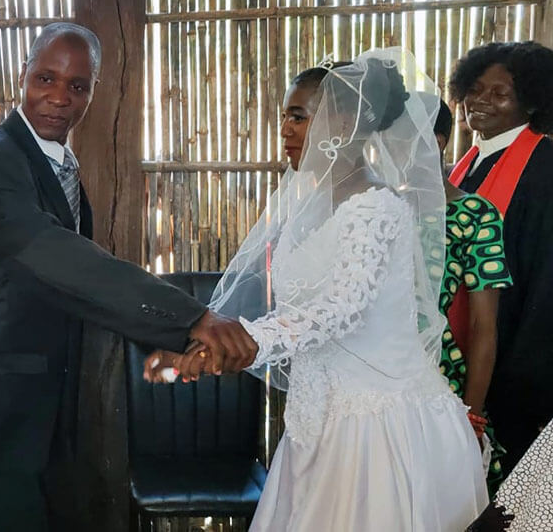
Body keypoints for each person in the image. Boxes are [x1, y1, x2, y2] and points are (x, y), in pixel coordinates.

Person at [0, 22, 257, 530]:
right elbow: (63, 260)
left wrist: (174, 345)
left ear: (94, 90)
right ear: (23, 74)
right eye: (46, 79)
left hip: (38, 420)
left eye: (77, 86)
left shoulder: (54, 161)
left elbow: (74, 294)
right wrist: (192, 318)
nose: (59, 97)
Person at [162, 51, 486, 530]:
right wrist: (225, 342)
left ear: (345, 123)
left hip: (378, 426)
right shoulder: (309, 207)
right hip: (317, 421)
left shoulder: (375, 208)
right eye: (284, 117)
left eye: (298, 116)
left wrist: (246, 340)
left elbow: (341, 309)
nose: (285, 130)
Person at [447, 41, 553, 477]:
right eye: (474, 89)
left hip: (516, 365)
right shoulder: (467, 164)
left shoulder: (545, 168)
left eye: (499, 93)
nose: (480, 101)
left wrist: (519, 381)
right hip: (462, 359)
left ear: (532, 101)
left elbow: (546, 283)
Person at [432, 98, 512, 493]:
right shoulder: (370, 209)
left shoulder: (474, 214)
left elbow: (484, 326)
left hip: (437, 381)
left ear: (437, 141)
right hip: (367, 383)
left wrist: (471, 415)